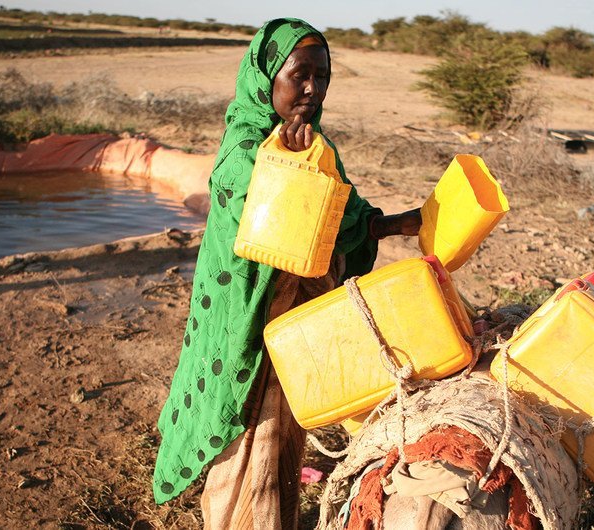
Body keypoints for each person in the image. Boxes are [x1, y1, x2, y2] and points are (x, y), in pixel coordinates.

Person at [153, 18, 422, 529]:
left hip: (293, 315)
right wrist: (287, 168)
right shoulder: (244, 147)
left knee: (283, 426)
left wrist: (388, 225)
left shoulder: (313, 143)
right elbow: (262, 221)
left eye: (322, 78)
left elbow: (340, 210)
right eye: (300, 75)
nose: (312, 89)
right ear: (266, 76)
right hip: (247, 314)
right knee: (251, 423)